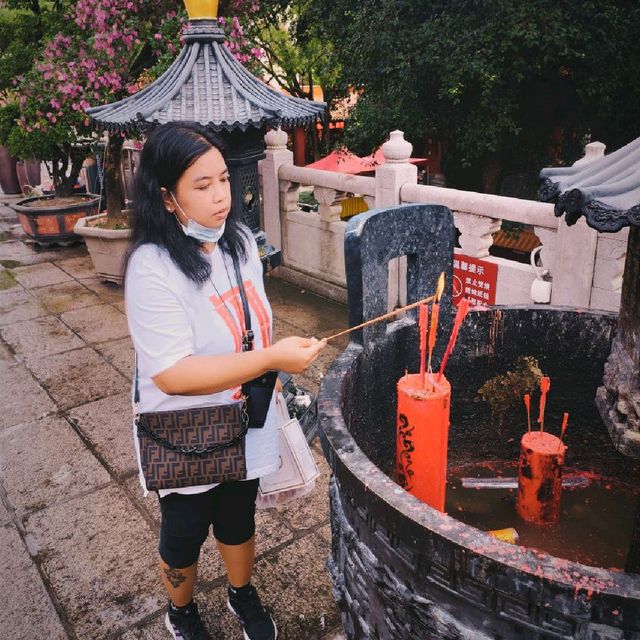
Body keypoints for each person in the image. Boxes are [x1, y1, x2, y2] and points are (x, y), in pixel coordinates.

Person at [124, 121, 326, 640]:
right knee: (185, 529)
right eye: (202, 185)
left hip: (244, 413)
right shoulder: (152, 266)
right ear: (167, 197)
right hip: (184, 427)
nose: (220, 196)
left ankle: (241, 592)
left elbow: (253, 319)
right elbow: (171, 373)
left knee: (238, 515)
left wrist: (272, 365)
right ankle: (181, 610)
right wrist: (266, 361)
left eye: (223, 180)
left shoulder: (237, 240)